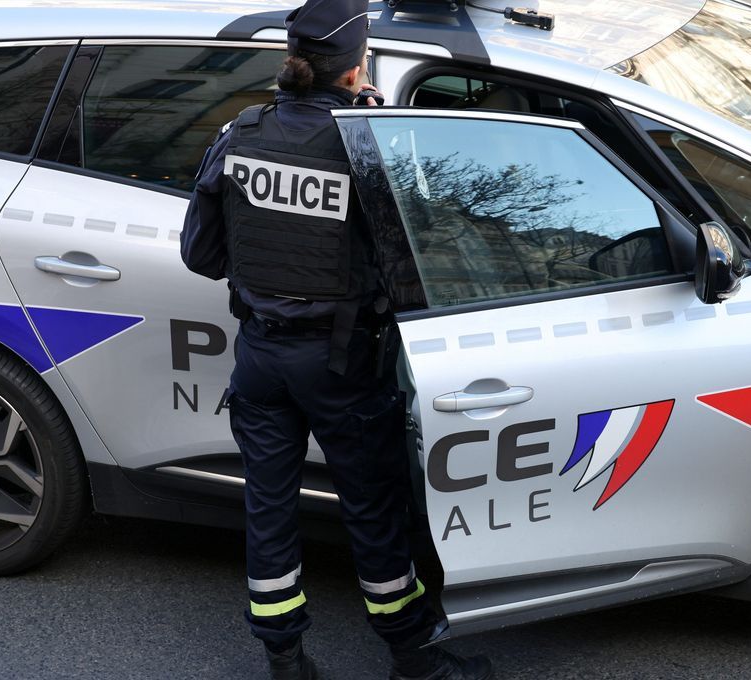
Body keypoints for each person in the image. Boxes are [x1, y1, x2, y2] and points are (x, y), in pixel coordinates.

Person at [180, 2, 493, 678]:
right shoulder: (365, 143)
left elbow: (200, 255)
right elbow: (414, 267)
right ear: (356, 70)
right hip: (342, 363)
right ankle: (413, 657)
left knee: (268, 510)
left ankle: (285, 660)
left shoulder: (240, 132)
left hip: (260, 357)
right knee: (373, 511)